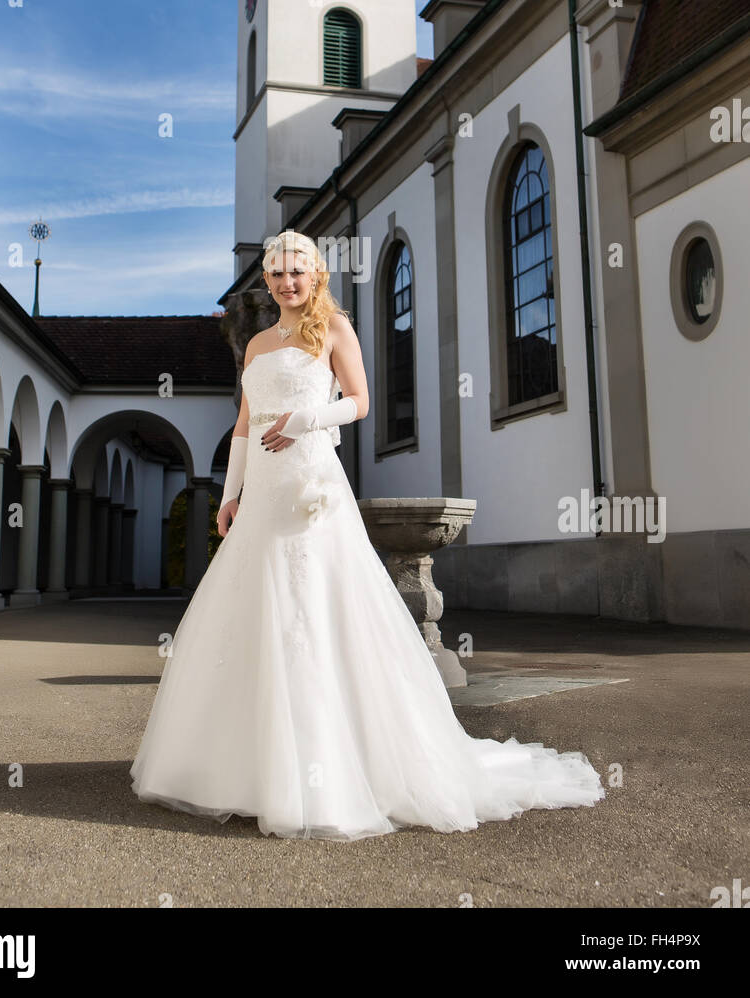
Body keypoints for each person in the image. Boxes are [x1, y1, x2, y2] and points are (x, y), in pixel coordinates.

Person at [129, 229, 606, 840]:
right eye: (276, 274)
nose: (286, 282)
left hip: (312, 486)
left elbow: (359, 402)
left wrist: (307, 418)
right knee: (254, 614)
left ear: (316, 275)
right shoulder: (255, 346)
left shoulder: (333, 331)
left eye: (297, 272)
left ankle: (329, 770)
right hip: (266, 493)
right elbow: (245, 424)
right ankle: (244, 768)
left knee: (317, 613)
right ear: (267, 281)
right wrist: (229, 496)